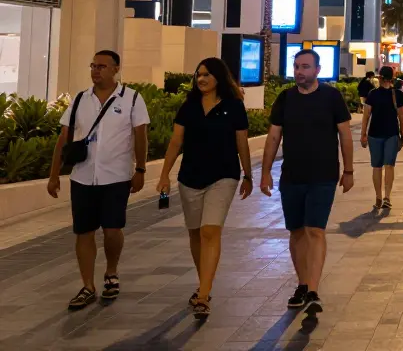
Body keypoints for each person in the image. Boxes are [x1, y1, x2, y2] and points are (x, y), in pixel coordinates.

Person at [47, 50, 150, 311]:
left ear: (116, 69)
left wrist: (140, 169)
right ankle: (87, 285)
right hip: (82, 176)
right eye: (93, 65)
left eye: (102, 66)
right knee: (84, 231)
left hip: (116, 177)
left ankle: (111, 272)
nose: (96, 70)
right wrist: (54, 174)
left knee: (113, 229)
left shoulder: (132, 99)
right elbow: (64, 138)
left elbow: (140, 137)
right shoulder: (80, 99)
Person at [156, 58, 253, 320]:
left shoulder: (234, 106)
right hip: (190, 178)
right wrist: (164, 175)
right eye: (198, 74)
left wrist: (248, 174)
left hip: (223, 176)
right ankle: (204, 285)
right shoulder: (189, 107)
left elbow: (241, 143)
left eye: (207, 74)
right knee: (196, 234)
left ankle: (203, 295)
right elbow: (176, 142)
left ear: (219, 77)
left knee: (211, 231)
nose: (201, 79)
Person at [260, 49, 354, 314]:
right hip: (292, 175)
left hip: (323, 175)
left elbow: (345, 135)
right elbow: (273, 137)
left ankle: (313, 289)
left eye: (305, 67)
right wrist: (265, 172)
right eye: (296, 66)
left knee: (315, 230)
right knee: (297, 231)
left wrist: (348, 171)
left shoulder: (331, 97)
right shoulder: (285, 99)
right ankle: (302, 284)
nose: (299, 71)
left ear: (317, 70)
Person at [361, 67, 403, 210]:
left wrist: (363, 133)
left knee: (376, 166)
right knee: (389, 165)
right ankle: (386, 196)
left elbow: (366, 115)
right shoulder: (398, 94)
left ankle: (378, 197)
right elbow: (402, 116)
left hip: (374, 134)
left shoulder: (372, 94)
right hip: (391, 133)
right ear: (392, 78)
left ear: (380, 78)